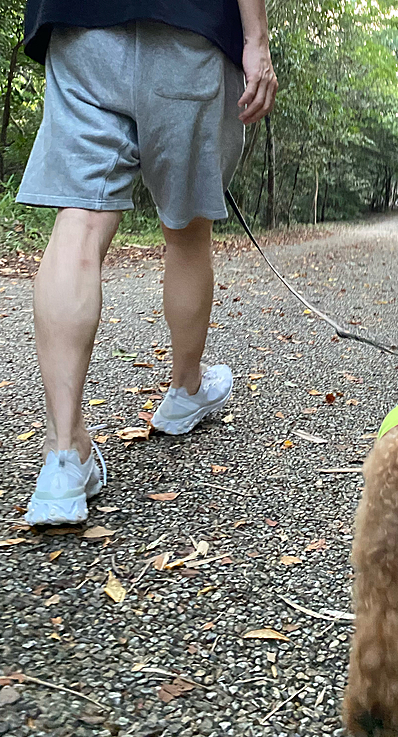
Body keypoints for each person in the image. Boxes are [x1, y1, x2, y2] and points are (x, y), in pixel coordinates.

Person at [17, 1, 278, 526]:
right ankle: (185, 390)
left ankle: (63, 457)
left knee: (81, 223)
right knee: (186, 234)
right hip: (189, 31)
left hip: (79, 27)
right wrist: (257, 41)